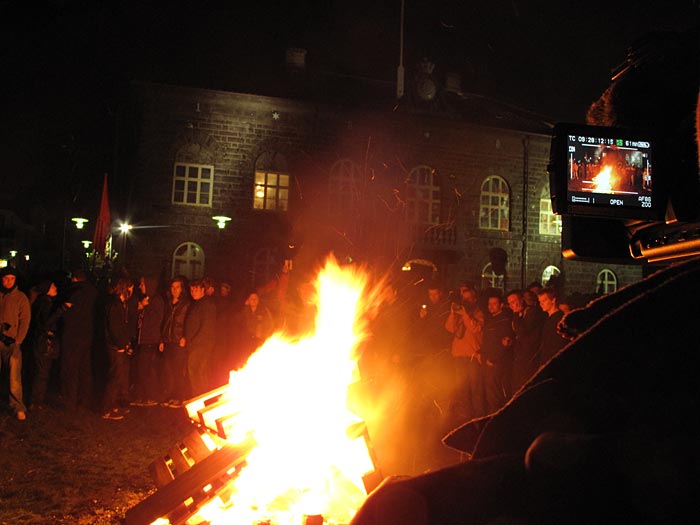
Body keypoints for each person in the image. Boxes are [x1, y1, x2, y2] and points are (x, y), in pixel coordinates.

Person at [444, 284, 485, 421]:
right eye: (464, 299)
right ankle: (464, 419)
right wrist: (453, 313)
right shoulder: (460, 314)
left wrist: (465, 314)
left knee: (476, 390)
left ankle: (479, 419)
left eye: (468, 299)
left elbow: (475, 329)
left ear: (474, 299)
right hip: (459, 357)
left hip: (472, 357)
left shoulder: (479, 314)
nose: (465, 301)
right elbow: (449, 328)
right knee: (462, 390)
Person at [59, 269, 98, 411]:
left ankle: (71, 400)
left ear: (74, 278)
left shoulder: (72, 292)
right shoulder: (94, 292)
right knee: (85, 369)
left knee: (72, 369)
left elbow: (67, 316)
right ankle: (84, 399)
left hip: (73, 335)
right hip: (87, 334)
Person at [29, 280, 71, 408]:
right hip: (43, 343)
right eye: (53, 286)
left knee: (42, 372)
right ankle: (36, 401)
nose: (56, 288)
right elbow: (46, 322)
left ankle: (37, 400)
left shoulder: (44, 302)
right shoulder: (45, 303)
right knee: (42, 373)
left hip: (42, 341)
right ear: (47, 289)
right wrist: (62, 309)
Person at [101, 278, 137, 420]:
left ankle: (113, 406)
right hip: (115, 347)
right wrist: (120, 345)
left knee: (119, 376)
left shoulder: (119, 304)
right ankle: (106, 408)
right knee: (115, 377)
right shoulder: (115, 305)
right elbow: (114, 328)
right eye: (130, 288)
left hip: (118, 346)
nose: (132, 291)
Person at [0, 267, 31, 420]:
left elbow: (25, 320)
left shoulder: (21, 298)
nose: (8, 282)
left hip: (13, 343)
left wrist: (18, 340)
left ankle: (18, 406)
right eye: (5, 279)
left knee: (14, 377)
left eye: (11, 279)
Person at [130, 275, 164, 406]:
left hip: (149, 339)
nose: (140, 287)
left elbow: (155, 320)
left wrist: (143, 307)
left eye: (143, 284)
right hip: (143, 340)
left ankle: (152, 396)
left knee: (147, 369)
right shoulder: (147, 299)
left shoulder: (156, 300)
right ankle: (142, 395)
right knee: (141, 368)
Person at [480, 292, 514, 414]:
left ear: (501, 305)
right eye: (489, 304)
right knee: (490, 395)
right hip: (488, 362)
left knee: (495, 396)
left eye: (494, 304)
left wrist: (493, 359)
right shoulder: (491, 320)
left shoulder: (504, 321)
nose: (491, 306)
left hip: (496, 364)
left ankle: (496, 420)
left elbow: (505, 344)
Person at [184, 279, 217, 397]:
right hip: (195, 345)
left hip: (201, 345)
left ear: (203, 290)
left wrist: (193, 342)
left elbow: (206, 328)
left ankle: (201, 399)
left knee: (198, 372)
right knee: (195, 371)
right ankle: (198, 398)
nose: (193, 292)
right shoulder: (196, 304)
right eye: (191, 290)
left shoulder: (207, 305)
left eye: (196, 289)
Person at [160, 276, 190, 408]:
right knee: (169, 370)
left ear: (182, 289)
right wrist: (162, 339)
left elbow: (188, 322)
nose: (175, 290)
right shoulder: (168, 303)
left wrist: (185, 336)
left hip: (178, 341)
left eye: (177, 287)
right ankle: (171, 395)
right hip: (168, 340)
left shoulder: (186, 304)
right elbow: (164, 321)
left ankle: (179, 397)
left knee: (178, 371)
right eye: (173, 287)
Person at [506, 289, 544, 392]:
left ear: (522, 300)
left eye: (514, 302)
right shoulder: (520, 314)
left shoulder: (532, 312)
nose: (512, 305)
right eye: (510, 303)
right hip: (520, 356)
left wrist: (515, 314)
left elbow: (522, 331)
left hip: (529, 358)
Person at [235, 291, 274, 369]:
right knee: (245, 362)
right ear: (248, 300)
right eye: (251, 299)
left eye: (255, 298)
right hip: (246, 342)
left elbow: (270, 324)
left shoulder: (264, 311)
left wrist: (263, 335)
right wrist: (246, 307)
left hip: (259, 341)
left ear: (258, 300)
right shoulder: (245, 311)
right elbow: (238, 322)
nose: (253, 300)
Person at [536, 287, 569, 365]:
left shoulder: (558, 319)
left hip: (554, 361)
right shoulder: (548, 318)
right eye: (540, 301)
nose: (541, 304)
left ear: (553, 300)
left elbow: (558, 343)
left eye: (544, 301)